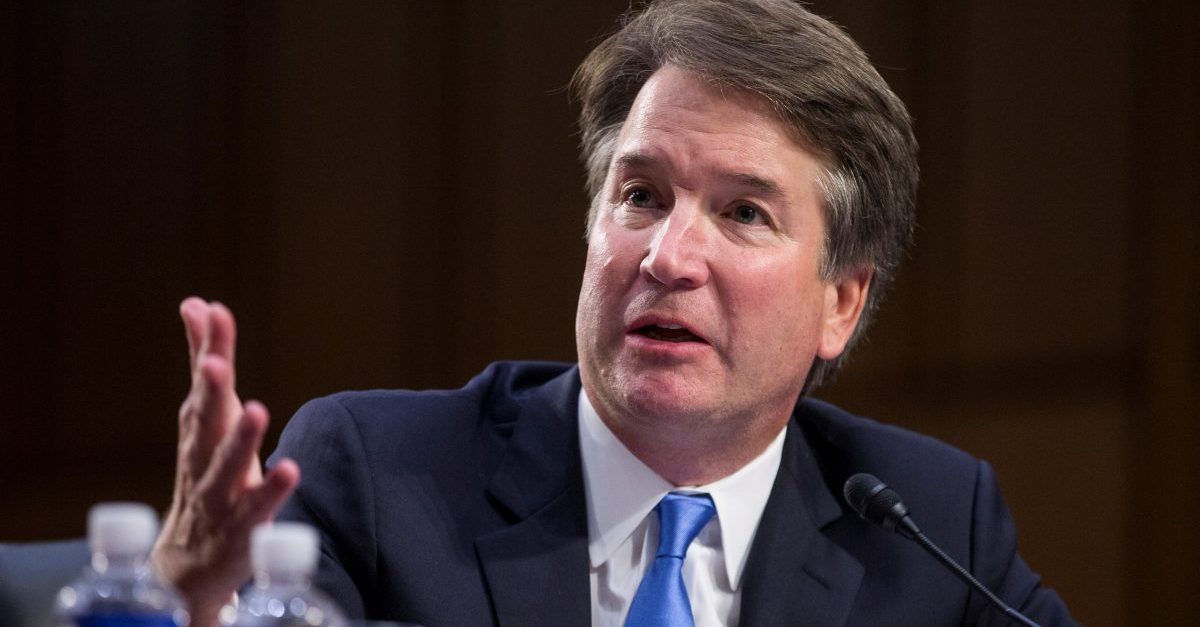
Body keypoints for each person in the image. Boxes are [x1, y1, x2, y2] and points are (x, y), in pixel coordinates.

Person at [150, 1, 1077, 625]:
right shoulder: (379, 477)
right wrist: (187, 607)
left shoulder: (929, 532)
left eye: (743, 213)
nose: (667, 257)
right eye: (640, 194)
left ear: (841, 302)